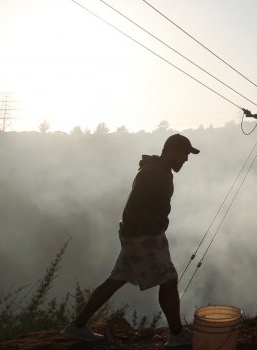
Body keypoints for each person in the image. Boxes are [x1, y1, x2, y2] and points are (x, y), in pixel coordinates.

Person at [61, 133, 199, 347]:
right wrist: (153, 229)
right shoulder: (154, 173)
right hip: (143, 236)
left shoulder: (158, 171)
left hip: (136, 235)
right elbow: (134, 206)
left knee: (117, 278)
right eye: (184, 154)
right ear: (172, 151)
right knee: (169, 280)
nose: (186, 159)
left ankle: (77, 326)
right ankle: (177, 334)